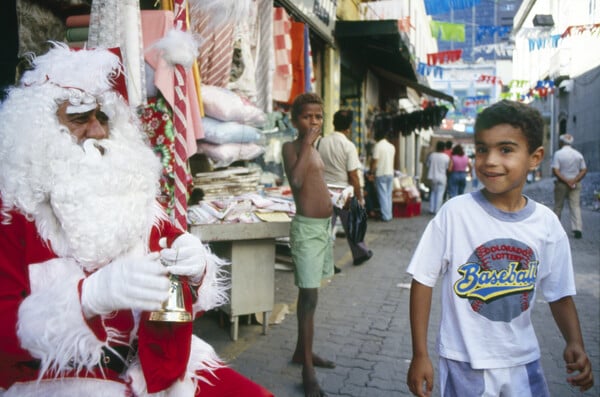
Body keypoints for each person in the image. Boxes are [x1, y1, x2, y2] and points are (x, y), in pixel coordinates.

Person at [0, 43, 273, 397]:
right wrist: (87, 298)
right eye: (80, 118)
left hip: (156, 368)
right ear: (36, 131)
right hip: (60, 381)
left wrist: (193, 269)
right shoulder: (12, 214)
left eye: (104, 118)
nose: (98, 132)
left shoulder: (132, 195)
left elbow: (172, 303)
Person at [406, 100, 594, 397]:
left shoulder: (546, 224)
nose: (490, 160)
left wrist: (575, 342)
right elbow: (423, 280)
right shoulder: (455, 213)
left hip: (524, 362)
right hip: (464, 362)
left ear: (535, 158)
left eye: (505, 150)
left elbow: (559, 294)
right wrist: (420, 354)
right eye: (482, 149)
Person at [282, 92, 336, 397]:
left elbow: (316, 183)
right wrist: (307, 143)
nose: (313, 122)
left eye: (318, 116)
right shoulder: (293, 147)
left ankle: (302, 352)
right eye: (307, 117)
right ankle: (307, 370)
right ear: (294, 120)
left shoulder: (313, 150)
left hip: (323, 229)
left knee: (311, 298)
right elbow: (298, 182)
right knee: (308, 299)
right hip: (306, 231)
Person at [317, 109, 373, 268]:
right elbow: (353, 175)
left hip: (324, 191)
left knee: (325, 230)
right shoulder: (348, 146)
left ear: (334, 124)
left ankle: (325, 263)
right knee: (352, 225)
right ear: (349, 127)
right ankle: (360, 254)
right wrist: (359, 196)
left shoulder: (321, 142)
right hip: (343, 193)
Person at [552, 133, 587, 239]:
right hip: (575, 183)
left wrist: (566, 181)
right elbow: (584, 169)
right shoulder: (578, 154)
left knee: (558, 206)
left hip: (562, 183)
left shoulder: (558, 154)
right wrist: (574, 180)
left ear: (562, 142)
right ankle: (577, 229)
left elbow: (555, 170)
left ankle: (554, 228)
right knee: (575, 206)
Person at [369, 122, 396, 222]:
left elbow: (375, 161)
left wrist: (371, 172)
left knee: (382, 195)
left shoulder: (378, 146)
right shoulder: (391, 146)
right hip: (390, 173)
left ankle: (386, 216)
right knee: (388, 194)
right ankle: (389, 214)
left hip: (381, 173)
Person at [426, 140, 451, 214]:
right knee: (440, 193)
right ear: (444, 148)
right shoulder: (446, 157)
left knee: (433, 192)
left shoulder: (432, 155)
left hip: (433, 176)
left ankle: (431, 209)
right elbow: (447, 168)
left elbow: (427, 165)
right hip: (442, 177)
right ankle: (437, 210)